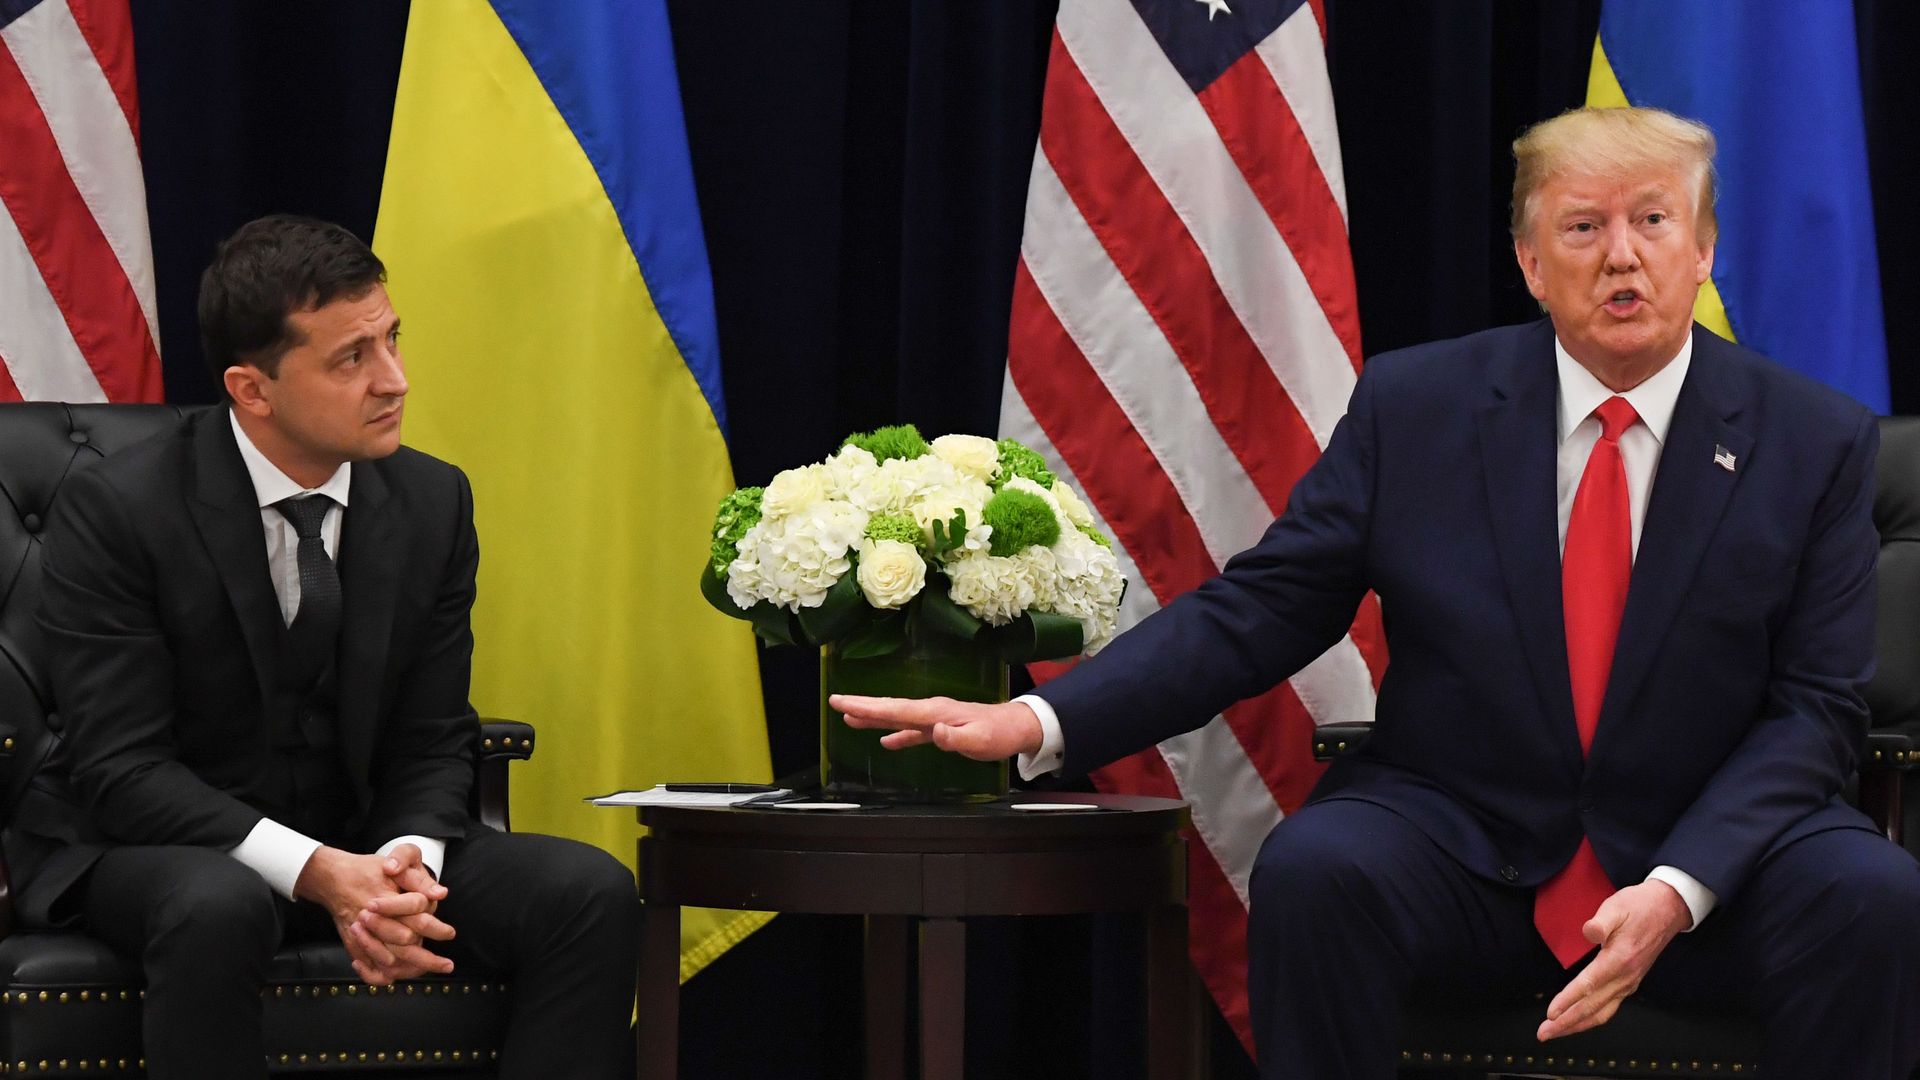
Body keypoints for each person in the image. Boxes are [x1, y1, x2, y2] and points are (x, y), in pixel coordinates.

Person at [834, 106, 1920, 1078]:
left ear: (1704, 248)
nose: (1621, 257)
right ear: (1531, 263)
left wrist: (1683, 884)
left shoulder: (1811, 441)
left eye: (1653, 222)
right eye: (1583, 229)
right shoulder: (1418, 408)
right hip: (1467, 846)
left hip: (1715, 856)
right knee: (1317, 870)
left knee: (1871, 898)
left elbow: (1816, 709)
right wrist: (1035, 715)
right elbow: (1262, 608)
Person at [3, 215, 639, 1079]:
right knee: (217, 903)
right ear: (251, 389)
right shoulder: (122, 509)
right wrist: (315, 873)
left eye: (391, 340)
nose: (395, 381)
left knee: (587, 893)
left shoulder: (433, 501)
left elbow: (430, 735)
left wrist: (403, 870)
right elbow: (124, 771)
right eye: (352, 358)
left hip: (360, 839)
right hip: (153, 849)